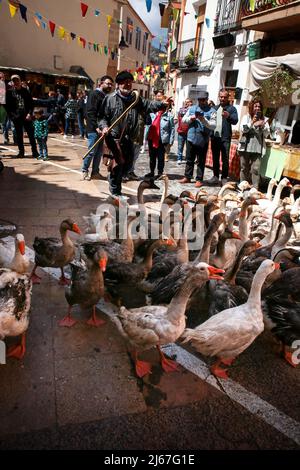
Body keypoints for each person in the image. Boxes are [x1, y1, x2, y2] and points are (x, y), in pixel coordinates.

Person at [99, 70, 169, 196]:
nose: (128, 85)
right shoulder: (110, 99)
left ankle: (114, 179)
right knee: (118, 165)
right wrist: (104, 127)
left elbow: (149, 105)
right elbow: (102, 117)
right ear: (119, 84)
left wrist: (162, 105)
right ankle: (116, 191)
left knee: (127, 165)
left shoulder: (136, 99)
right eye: (125, 83)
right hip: (114, 138)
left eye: (130, 83)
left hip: (129, 138)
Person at [179, 91, 216, 188]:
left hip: (203, 140)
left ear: (207, 100)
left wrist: (203, 120)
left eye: (203, 100)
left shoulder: (212, 111)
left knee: (201, 161)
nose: (201, 102)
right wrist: (191, 118)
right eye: (199, 100)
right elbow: (183, 120)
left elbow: (213, 126)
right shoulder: (192, 108)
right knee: (189, 159)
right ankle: (187, 176)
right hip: (191, 137)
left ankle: (199, 179)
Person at [82, 75, 114, 180]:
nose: (110, 86)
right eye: (108, 83)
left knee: (99, 152)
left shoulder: (106, 96)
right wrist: (96, 127)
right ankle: (84, 171)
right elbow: (90, 112)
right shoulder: (94, 94)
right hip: (93, 129)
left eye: (111, 84)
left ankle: (95, 172)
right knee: (91, 151)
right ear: (101, 83)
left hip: (102, 128)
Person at [238, 99, 270, 189]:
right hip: (245, 146)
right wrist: (252, 122)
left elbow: (267, 134)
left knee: (255, 169)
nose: (257, 108)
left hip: (257, 147)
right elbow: (243, 129)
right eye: (255, 106)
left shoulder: (264, 119)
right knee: (244, 168)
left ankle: (255, 188)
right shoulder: (246, 117)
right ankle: (242, 187)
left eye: (259, 107)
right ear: (252, 107)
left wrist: (263, 125)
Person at [209, 88, 238, 186]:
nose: (223, 99)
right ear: (219, 97)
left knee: (225, 159)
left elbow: (235, 121)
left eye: (225, 97)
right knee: (215, 158)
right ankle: (215, 176)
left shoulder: (232, 109)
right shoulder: (214, 108)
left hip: (225, 138)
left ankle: (224, 177)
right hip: (215, 137)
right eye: (221, 97)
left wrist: (228, 116)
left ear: (228, 98)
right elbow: (210, 121)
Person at [5, 74, 38, 158]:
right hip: (16, 117)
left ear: (20, 81)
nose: (16, 82)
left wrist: (29, 113)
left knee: (31, 135)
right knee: (19, 136)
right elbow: (8, 106)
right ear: (12, 82)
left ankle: (35, 152)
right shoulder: (10, 92)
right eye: (14, 81)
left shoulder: (26, 91)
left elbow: (31, 104)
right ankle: (21, 152)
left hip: (26, 116)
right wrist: (13, 117)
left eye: (17, 80)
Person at [146, 96, 175, 178]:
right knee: (152, 157)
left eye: (166, 105)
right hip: (152, 138)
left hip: (162, 139)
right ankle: (151, 172)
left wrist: (170, 141)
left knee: (161, 158)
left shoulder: (169, 116)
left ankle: (160, 173)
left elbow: (172, 129)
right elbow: (148, 124)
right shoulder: (152, 113)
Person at [176, 98, 193, 165]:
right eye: (186, 102)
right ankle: (179, 159)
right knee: (180, 146)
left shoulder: (192, 110)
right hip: (181, 131)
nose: (187, 103)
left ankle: (187, 159)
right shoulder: (181, 110)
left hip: (189, 132)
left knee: (188, 147)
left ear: (191, 103)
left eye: (188, 102)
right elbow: (183, 113)